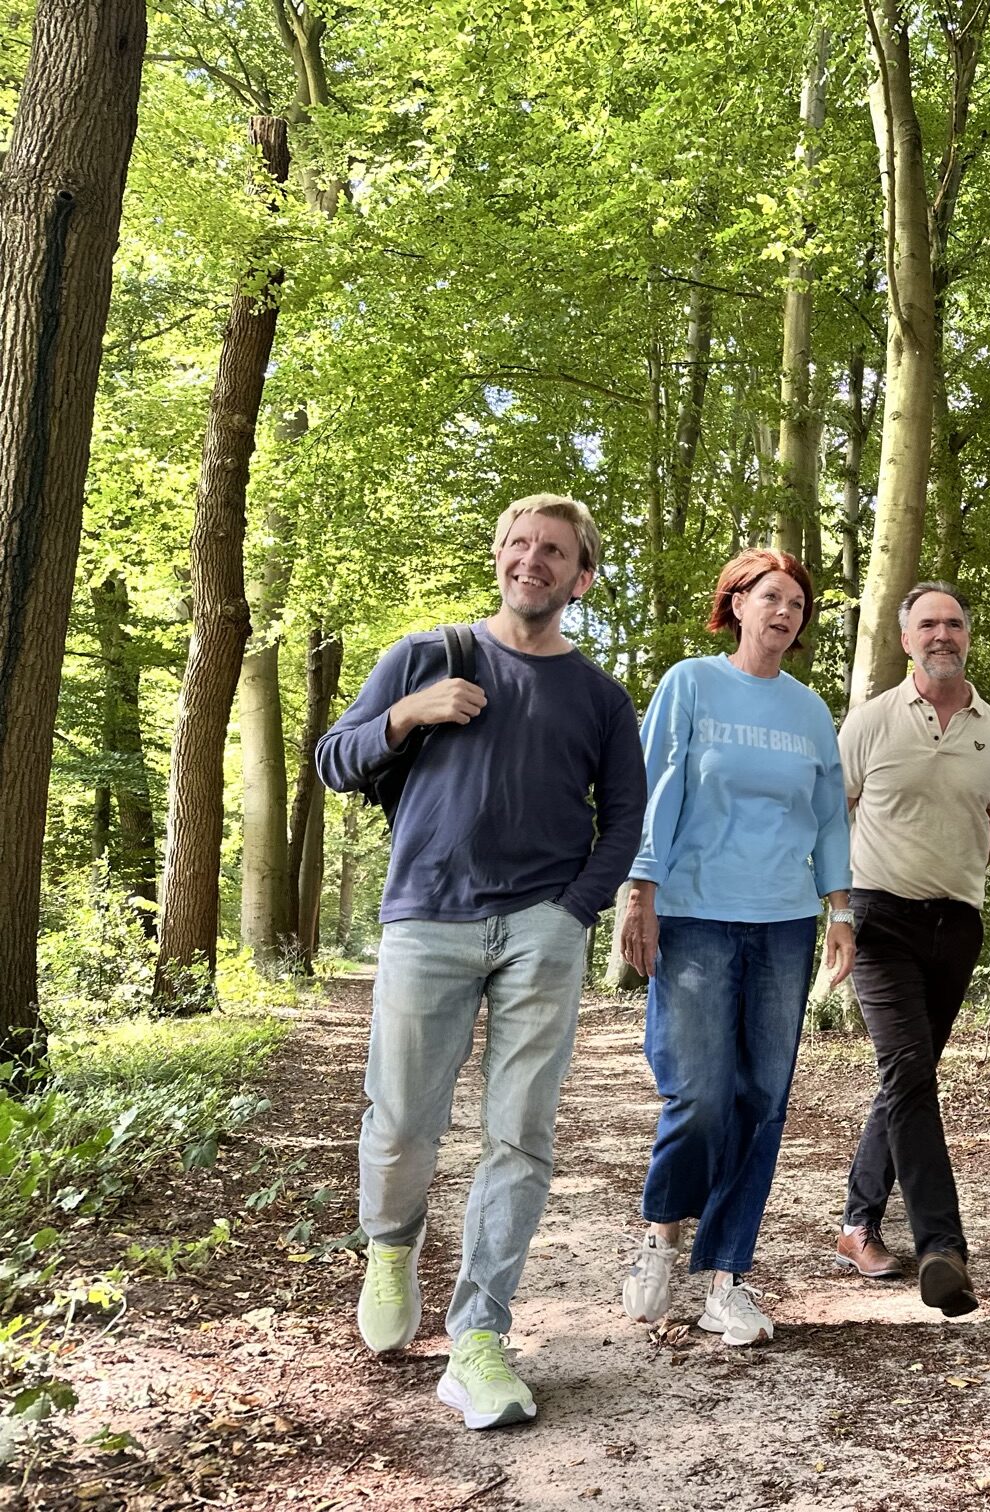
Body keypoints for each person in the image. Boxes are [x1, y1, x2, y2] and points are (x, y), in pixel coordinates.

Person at [317, 493, 646, 1431]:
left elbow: (624, 815)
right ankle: (391, 1246)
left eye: (553, 551)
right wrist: (409, 715)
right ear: (499, 556)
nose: (530, 560)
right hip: (427, 920)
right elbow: (333, 760)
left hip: (540, 932)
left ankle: (479, 1334)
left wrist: (572, 913)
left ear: (580, 578)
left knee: (519, 1136)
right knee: (402, 1121)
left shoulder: (599, 697)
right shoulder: (426, 656)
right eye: (517, 544)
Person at [617, 547, 854, 1347]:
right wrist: (639, 890)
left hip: (784, 921)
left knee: (763, 1101)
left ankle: (727, 1277)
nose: (786, 612)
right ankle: (661, 1231)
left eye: (798, 604)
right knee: (702, 1093)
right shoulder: (691, 684)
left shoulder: (811, 711)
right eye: (771, 597)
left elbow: (828, 817)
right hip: (694, 915)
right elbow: (657, 791)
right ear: (737, 603)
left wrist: (840, 910)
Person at [832, 582, 990, 1317]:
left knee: (906, 1078)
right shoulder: (871, 721)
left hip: (957, 924)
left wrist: (955, 878)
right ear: (907, 639)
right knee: (909, 1070)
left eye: (953, 623)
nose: (942, 634)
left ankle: (856, 1224)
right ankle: (943, 1247)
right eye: (927, 625)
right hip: (879, 919)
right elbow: (830, 817)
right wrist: (839, 911)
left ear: (967, 636)